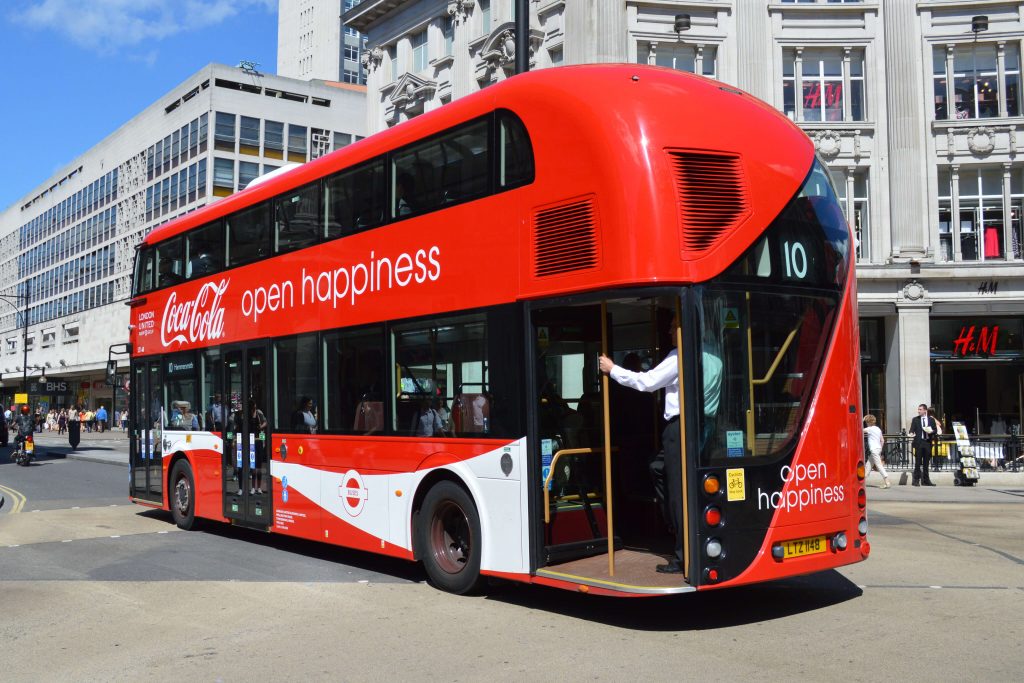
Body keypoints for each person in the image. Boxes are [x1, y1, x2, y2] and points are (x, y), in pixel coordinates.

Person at [598, 313, 723, 575]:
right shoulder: (714, 354)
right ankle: (676, 526)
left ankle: (681, 554)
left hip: (680, 428)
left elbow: (648, 382)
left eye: (673, 324)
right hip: (704, 426)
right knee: (658, 467)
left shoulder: (680, 356)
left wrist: (613, 369)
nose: (669, 330)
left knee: (678, 492)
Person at [909, 403, 938, 486]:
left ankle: (926, 481)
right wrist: (911, 433)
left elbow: (935, 430)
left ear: (925, 410)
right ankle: (916, 481)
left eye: (920, 409)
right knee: (918, 462)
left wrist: (931, 431)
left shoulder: (931, 420)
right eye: (918, 409)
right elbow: (911, 430)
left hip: (927, 442)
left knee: (926, 463)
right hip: (919, 442)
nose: (918, 411)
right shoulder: (915, 419)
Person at [863, 414, 891, 489]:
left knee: (879, 465)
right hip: (878, 449)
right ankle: (862, 481)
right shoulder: (878, 429)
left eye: (866, 422)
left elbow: (860, 429)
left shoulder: (869, 429)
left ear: (868, 422)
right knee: (868, 464)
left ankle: (887, 482)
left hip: (874, 450)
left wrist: (862, 419)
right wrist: (880, 449)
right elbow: (882, 440)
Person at [248, 399, 269, 495]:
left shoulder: (259, 413)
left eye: (254, 406)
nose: (254, 408)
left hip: (259, 440)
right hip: (251, 441)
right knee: (253, 465)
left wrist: (261, 427)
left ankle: (259, 487)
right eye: (252, 407)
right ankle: (253, 487)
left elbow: (265, 422)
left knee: (259, 465)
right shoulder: (247, 414)